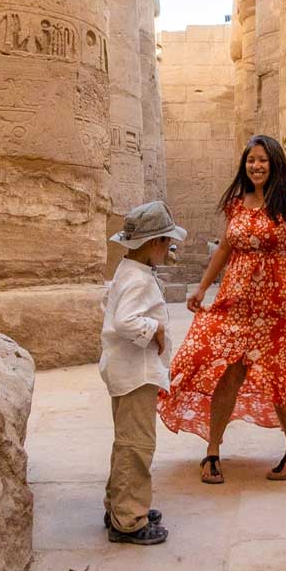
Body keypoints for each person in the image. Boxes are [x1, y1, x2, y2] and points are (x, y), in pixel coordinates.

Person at [158, 135, 286, 483]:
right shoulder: (235, 204)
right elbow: (224, 250)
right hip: (236, 303)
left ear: (275, 163)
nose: (256, 166)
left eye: (262, 160)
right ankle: (212, 451)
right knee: (227, 374)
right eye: (251, 161)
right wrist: (202, 287)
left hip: (278, 304)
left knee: (281, 375)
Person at [99, 201, 187, 545]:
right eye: (167, 242)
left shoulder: (128, 270)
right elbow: (125, 321)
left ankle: (119, 504)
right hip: (137, 374)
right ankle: (129, 520)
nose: (169, 249)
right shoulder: (139, 280)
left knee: (126, 443)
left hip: (126, 371)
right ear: (154, 244)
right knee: (137, 446)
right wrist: (157, 331)